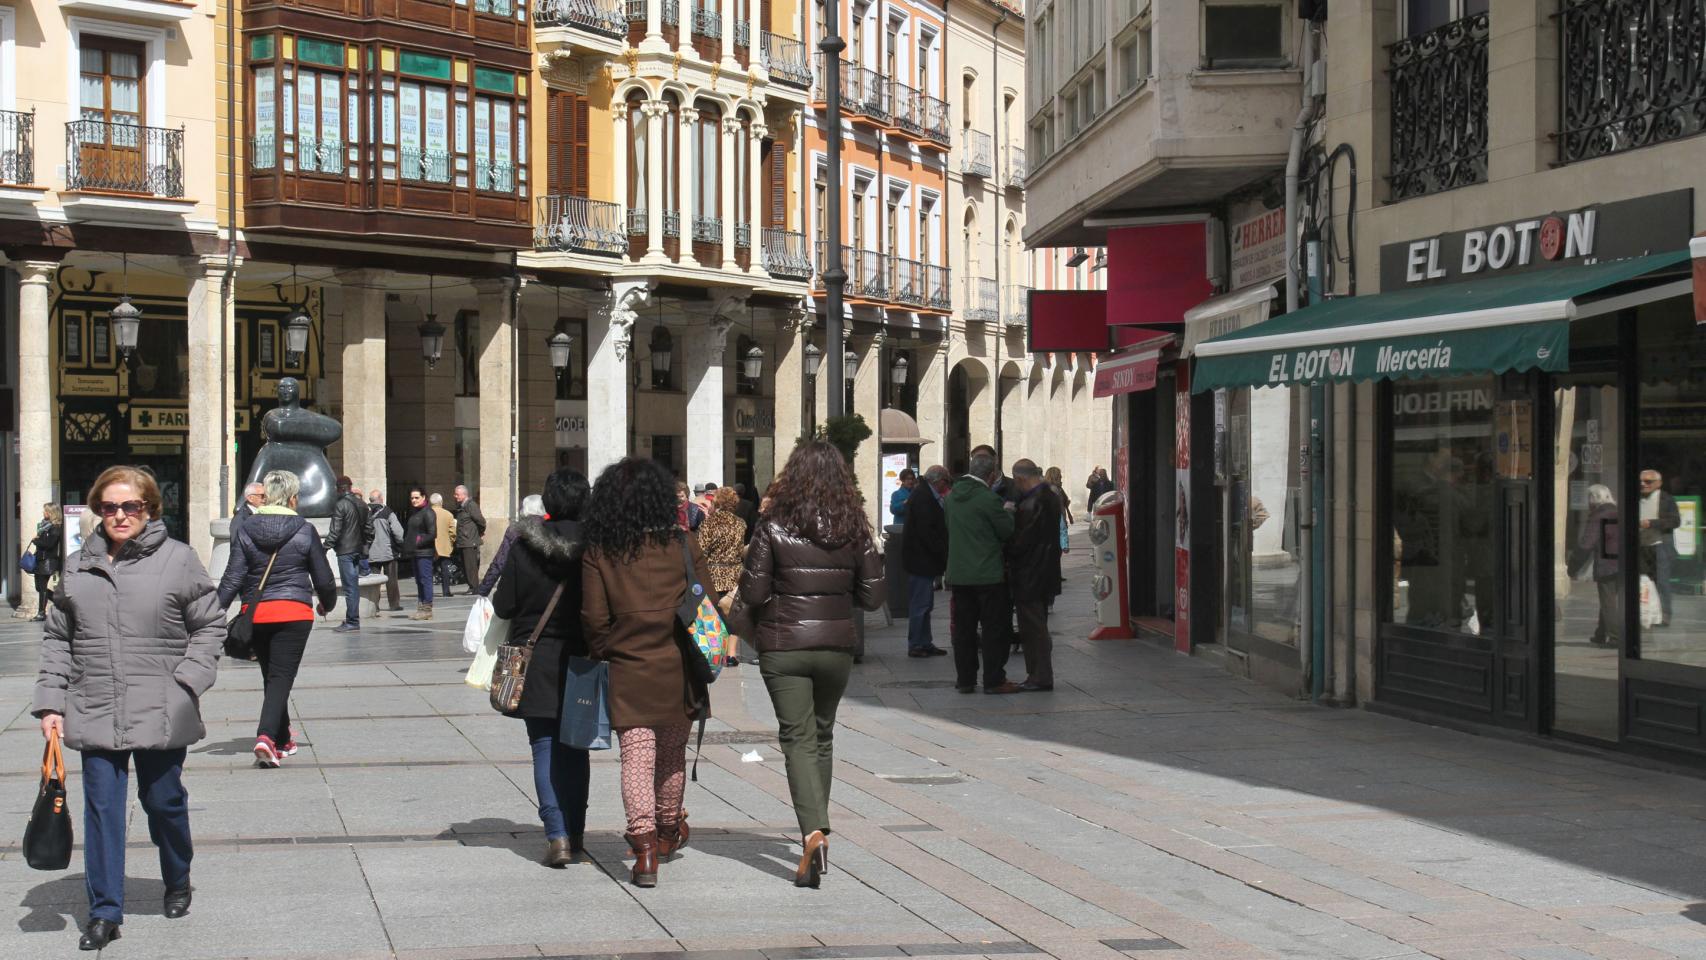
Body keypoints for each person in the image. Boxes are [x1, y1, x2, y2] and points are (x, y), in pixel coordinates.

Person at [33, 465, 224, 951]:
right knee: (102, 810)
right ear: (98, 509)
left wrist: (188, 681)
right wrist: (51, 703)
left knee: (162, 802)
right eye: (110, 507)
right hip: (94, 702)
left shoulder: (179, 560)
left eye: (131, 506)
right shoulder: (76, 566)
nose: (120, 515)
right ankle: (104, 912)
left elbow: (209, 624)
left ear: (150, 509)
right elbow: (59, 638)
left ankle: (177, 876)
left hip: (161, 705)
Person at [727, 441, 884, 887]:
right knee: (822, 736)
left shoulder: (773, 524)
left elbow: (754, 594)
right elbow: (874, 597)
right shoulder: (855, 528)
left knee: (796, 738)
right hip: (835, 644)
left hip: (785, 643)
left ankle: (814, 831)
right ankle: (818, 826)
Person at [582, 457, 716, 889]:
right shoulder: (682, 543)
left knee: (636, 760)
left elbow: (593, 618)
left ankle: (642, 851)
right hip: (678, 667)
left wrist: (611, 649)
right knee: (672, 755)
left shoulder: (600, 551)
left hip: (628, 669)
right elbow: (707, 601)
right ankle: (666, 831)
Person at [492, 470, 592, 867]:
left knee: (544, 746)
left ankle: (557, 836)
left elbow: (503, 606)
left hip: (534, 662)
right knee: (577, 750)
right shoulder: (596, 549)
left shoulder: (523, 548)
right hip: (583, 661)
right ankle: (578, 834)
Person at [219, 470, 338, 767]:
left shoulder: (246, 528)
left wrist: (209, 612)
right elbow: (323, 578)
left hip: (256, 613)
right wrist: (327, 604)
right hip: (294, 612)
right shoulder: (303, 529)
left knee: (271, 675)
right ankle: (266, 737)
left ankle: (283, 737)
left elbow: (232, 579)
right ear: (293, 498)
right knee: (281, 676)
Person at [946, 452, 1018, 694]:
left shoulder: (952, 497)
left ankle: (965, 679)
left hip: (959, 573)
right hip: (987, 574)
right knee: (993, 629)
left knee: (964, 630)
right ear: (991, 475)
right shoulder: (988, 499)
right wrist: (1008, 510)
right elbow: (1006, 531)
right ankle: (994, 679)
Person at [1007, 460, 1062, 691]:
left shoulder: (1031, 503)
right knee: (1039, 625)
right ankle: (1041, 674)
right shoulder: (1051, 496)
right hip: (1047, 571)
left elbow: (1020, 542)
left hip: (1030, 573)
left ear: (1020, 479)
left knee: (1033, 628)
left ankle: (1039, 676)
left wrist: (1009, 516)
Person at [901, 466, 951, 657]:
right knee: (920, 603)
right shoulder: (923, 497)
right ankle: (916, 644)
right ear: (938, 481)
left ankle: (924, 641)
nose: (945, 487)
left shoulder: (923, 493)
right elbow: (927, 531)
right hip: (920, 558)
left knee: (925, 603)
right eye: (945, 482)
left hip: (923, 558)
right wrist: (942, 552)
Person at [698, 486, 749, 666]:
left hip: (712, 574)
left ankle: (715, 653)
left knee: (713, 615)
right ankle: (731, 655)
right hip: (735, 574)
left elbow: (700, 550)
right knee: (734, 614)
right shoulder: (741, 523)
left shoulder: (708, 524)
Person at [478, 494, 547, 597]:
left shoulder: (514, 529)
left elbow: (500, 561)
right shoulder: (549, 528)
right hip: (544, 587)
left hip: (518, 585)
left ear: (525, 509)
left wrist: (484, 589)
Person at [323, 476, 368, 633]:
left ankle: (352, 621)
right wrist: (365, 546)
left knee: (350, 588)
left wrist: (324, 548)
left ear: (340, 489)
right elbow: (370, 530)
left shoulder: (340, 505)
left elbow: (335, 531)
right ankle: (353, 619)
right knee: (353, 586)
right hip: (357, 550)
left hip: (345, 551)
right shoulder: (362, 504)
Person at [1639, 469, 1681, 628]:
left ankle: (1665, 615)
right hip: (1642, 546)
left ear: (1658, 483)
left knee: (1662, 582)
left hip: (1660, 546)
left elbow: (1675, 521)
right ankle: (1646, 613)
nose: (1643, 484)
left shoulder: (1666, 499)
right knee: (1643, 582)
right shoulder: (1634, 498)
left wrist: (1652, 523)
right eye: (1641, 481)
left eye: (1648, 481)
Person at [1580, 484, 1621, 647]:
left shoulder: (1599, 516)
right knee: (1608, 599)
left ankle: (1615, 637)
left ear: (1593, 499)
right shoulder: (1619, 512)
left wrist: (1574, 567)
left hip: (1608, 564)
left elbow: (1586, 545)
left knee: (1608, 600)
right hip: (1623, 561)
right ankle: (1601, 633)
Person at [367, 490, 406, 613]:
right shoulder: (388, 512)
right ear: (381, 499)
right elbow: (398, 532)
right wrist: (401, 544)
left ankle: (375, 605)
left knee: (374, 581)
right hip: (388, 552)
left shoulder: (367, 514)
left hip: (372, 553)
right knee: (391, 579)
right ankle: (394, 604)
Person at [404, 487, 438, 620]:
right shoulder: (415, 513)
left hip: (424, 552)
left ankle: (427, 608)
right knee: (419, 581)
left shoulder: (428, 512)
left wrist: (417, 542)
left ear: (424, 497)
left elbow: (432, 533)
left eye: (417, 497)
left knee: (425, 579)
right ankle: (421, 607)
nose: (414, 500)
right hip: (415, 552)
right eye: (412, 498)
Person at [28, 503, 64, 621]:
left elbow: (49, 544)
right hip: (40, 559)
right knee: (39, 587)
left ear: (51, 513)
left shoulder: (55, 528)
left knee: (42, 587)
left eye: (46, 511)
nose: (44, 513)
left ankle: (41, 613)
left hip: (48, 561)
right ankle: (61, 602)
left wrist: (36, 541)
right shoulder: (45, 526)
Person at [453, 484, 488, 587]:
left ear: (464, 494)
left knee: (470, 566)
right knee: (465, 565)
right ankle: (471, 586)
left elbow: (481, 521)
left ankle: (475, 587)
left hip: (469, 540)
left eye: (457, 494)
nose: (455, 496)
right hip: (463, 540)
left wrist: (479, 532)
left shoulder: (471, 505)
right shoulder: (462, 506)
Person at [431, 492, 458, 596]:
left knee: (429, 569)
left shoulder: (426, 513)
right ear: (441, 502)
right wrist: (451, 541)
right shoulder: (448, 514)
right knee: (444, 568)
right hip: (444, 545)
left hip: (430, 546)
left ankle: (429, 591)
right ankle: (446, 591)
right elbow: (452, 531)